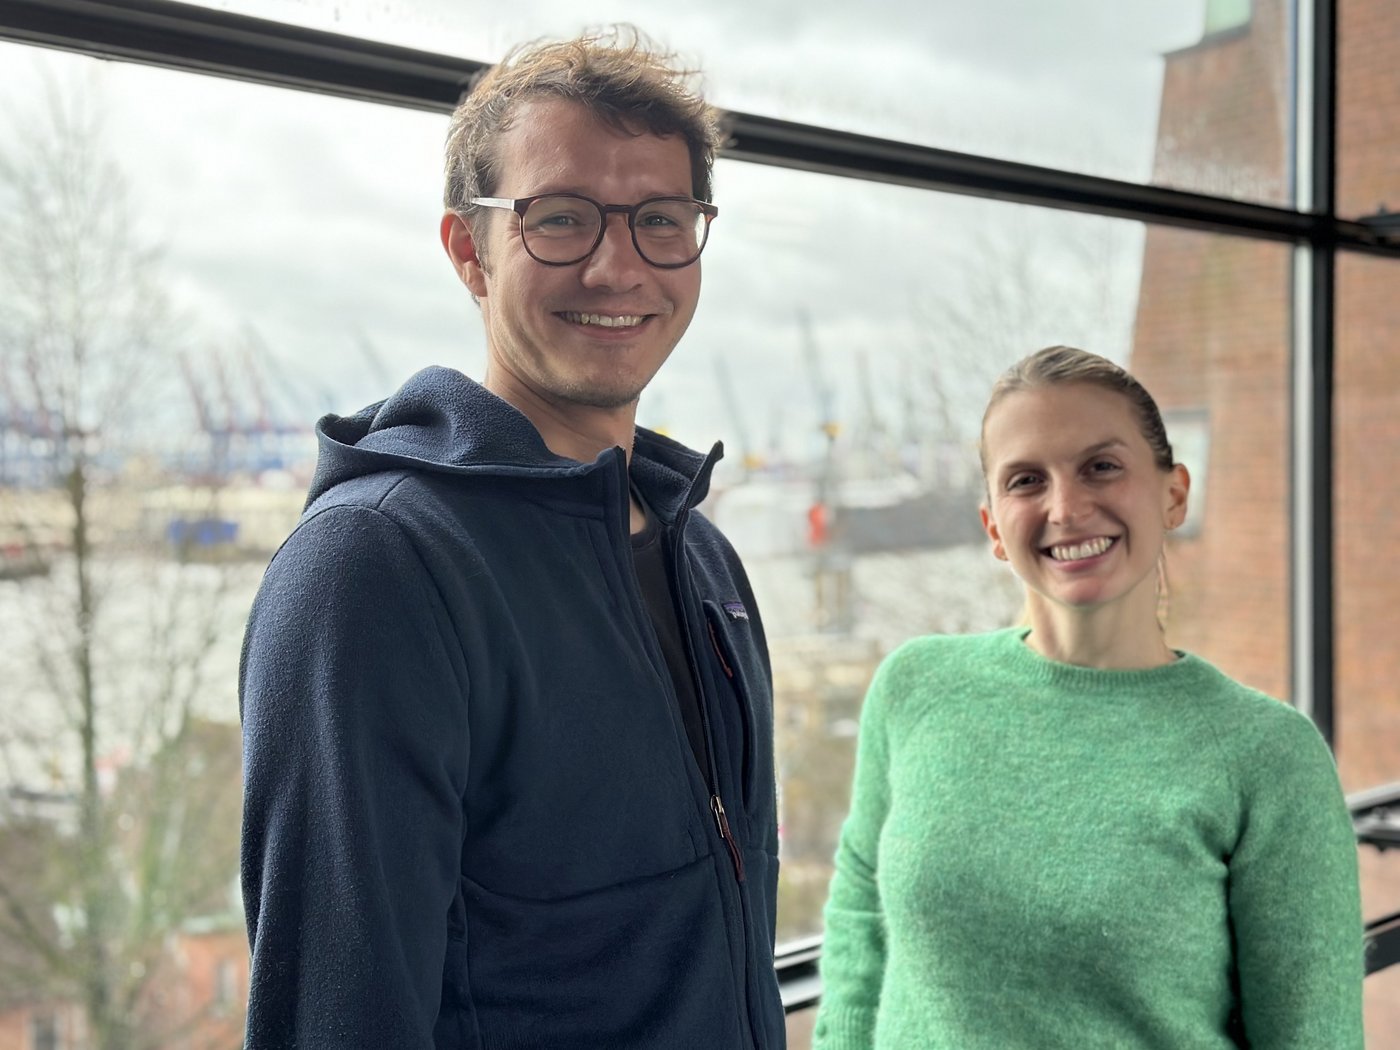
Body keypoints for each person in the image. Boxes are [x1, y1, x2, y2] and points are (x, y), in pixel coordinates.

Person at [239, 28, 784, 1049]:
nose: (618, 266)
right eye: (561, 219)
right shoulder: (375, 569)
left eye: (659, 220)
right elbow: (335, 1018)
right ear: (467, 251)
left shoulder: (701, 557)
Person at [813, 345, 1363, 1049]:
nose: (1066, 508)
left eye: (1101, 466)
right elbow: (860, 910)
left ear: (1173, 494)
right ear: (993, 529)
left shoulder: (1267, 755)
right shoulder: (915, 687)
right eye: (1025, 481)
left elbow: (1313, 1037)